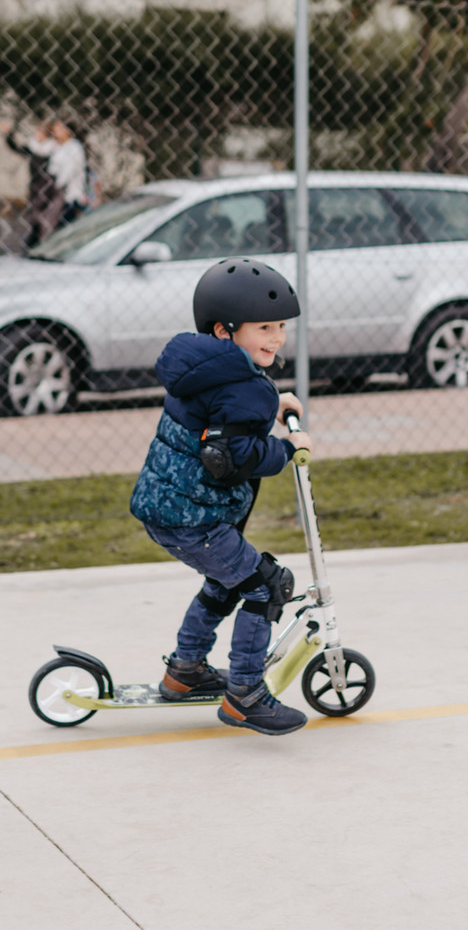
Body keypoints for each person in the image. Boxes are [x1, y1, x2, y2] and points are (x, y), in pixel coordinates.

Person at [128, 257, 312, 736]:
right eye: (264, 328)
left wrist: (272, 404)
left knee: (227, 581)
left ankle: (185, 673)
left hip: (172, 508)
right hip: (195, 519)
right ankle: (245, 696)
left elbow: (225, 411)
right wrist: (286, 448)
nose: (275, 338)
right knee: (266, 585)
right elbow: (228, 457)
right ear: (224, 331)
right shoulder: (239, 384)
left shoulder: (204, 367)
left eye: (280, 327)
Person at [2, 118, 65, 248]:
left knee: (48, 216)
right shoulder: (34, 149)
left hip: (49, 187)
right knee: (35, 216)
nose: (37, 135)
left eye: (40, 133)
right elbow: (15, 147)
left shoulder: (53, 150)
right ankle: (34, 242)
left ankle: (42, 241)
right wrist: (8, 134)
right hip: (36, 186)